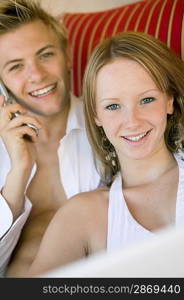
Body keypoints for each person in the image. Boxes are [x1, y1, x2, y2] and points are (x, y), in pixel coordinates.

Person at [23, 31, 184, 278]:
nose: (132, 122)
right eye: (112, 106)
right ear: (96, 115)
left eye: (147, 99)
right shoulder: (82, 215)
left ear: (170, 100)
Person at [0, 0, 101, 277]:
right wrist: (18, 172)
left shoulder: (111, 128)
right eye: (15, 66)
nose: (37, 75)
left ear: (67, 55)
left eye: (45, 55)